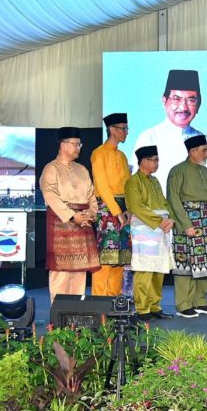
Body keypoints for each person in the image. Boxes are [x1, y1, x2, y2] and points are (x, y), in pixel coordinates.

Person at [132, 69, 207, 237]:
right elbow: (137, 187)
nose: (183, 107)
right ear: (164, 101)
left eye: (191, 100)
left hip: (201, 227)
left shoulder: (205, 142)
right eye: (176, 98)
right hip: (161, 227)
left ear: (199, 104)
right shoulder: (149, 138)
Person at [40, 127, 100, 303]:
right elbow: (50, 195)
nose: (78, 148)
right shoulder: (51, 168)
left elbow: (91, 196)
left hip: (83, 223)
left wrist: (91, 213)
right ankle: (58, 315)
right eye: (75, 144)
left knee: (80, 273)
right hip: (61, 223)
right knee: (61, 272)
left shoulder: (82, 169)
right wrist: (73, 216)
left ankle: (76, 313)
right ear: (63, 145)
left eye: (79, 144)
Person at [167, 135, 207, 318]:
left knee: (205, 263)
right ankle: (184, 305)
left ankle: (201, 302)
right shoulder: (178, 171)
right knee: (186, 264)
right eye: (204, 150)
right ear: (193, 151)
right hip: (188, 222)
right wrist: (186, 224)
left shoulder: (205, 171)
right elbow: (173, 199)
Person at [125, 145, 176, 321]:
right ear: (142, 161)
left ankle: (155, 306)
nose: (155, 163)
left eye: (157, 160)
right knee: (145, 268)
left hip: (161, 229)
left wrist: (170, 219)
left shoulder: (154, 181)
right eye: (152, 160)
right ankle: (142, 309)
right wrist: (159, 221)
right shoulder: (133, 182)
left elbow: (164, 202)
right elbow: (136, 207)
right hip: (144, 229)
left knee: (159, 269)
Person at [91, 112, 132, 296]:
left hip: (123, 207)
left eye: (126, 129)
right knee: (106, 256)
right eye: (123, 129)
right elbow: (101, 186)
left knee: (121, 258)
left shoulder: (122, 156)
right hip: (107, 207)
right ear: (112, 130)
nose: (126, 132)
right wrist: (117, 212)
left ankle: (115, 299)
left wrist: (128, 209)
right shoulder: (99, 153)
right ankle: (100, 300)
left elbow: (128, 185)